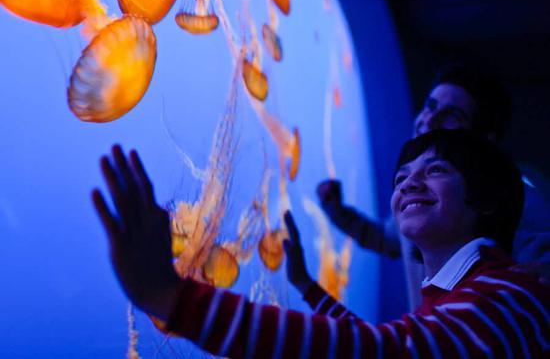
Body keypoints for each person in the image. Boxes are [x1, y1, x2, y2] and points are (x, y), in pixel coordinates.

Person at [93, 131, 549, 358]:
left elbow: (380, 353)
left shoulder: (511, 296)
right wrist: (307, 286)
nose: (409, 183)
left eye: (435, 170)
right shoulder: (461, 293)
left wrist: (173, 299)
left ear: (486, 198)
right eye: (401, 177)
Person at [317, 64, 550, 309]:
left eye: (452, 116)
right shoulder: (423, 197)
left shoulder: (507, 191)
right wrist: (338, 212)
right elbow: (389, 238)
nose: (429, 120)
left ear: (485, 140)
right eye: (430, 106)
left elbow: (542, 253)